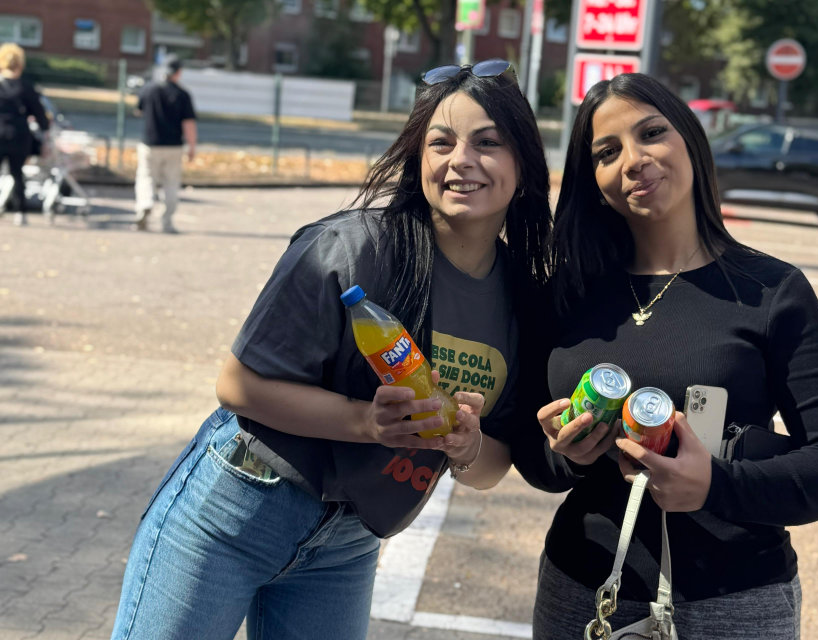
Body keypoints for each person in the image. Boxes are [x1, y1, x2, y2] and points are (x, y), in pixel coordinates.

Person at [110, 59, 552, 640]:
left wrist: (466, 446)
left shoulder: (524, 297)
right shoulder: (349, 248)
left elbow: (491, 466)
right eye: (440, 143)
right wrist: (366, 422)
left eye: (487, 143)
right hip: (237, 507)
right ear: (418, 158)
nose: (460, 160)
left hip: (348, 543)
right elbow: (237, 386)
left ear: (523, 163)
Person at [512, 73, 818, 640]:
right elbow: (537, 462)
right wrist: (569, 455)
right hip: (581, 592)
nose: (634, 160)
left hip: (733, 603)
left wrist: (716, 486)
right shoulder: (571, 291)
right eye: (607, 152)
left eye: (651, 133)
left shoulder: (771, 291)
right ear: (594, 182)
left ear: (690, 140)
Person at [134, 54, 196, 233]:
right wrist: (192, 146)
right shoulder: (183, 94)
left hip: (149, 143)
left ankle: (145, 204)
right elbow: (189, 124)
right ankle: (167, 222)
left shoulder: (149, 89)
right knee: (171, 183)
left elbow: (138, 111)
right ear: (178, 72)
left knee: (146, 177)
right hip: (174, 146)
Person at [0, 43, 49, 226]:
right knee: (17, 173)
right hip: (19, 136)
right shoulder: (26, 87)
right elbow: (39, 113)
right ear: (20, 64)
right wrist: (45, 130)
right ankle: (20, 212)